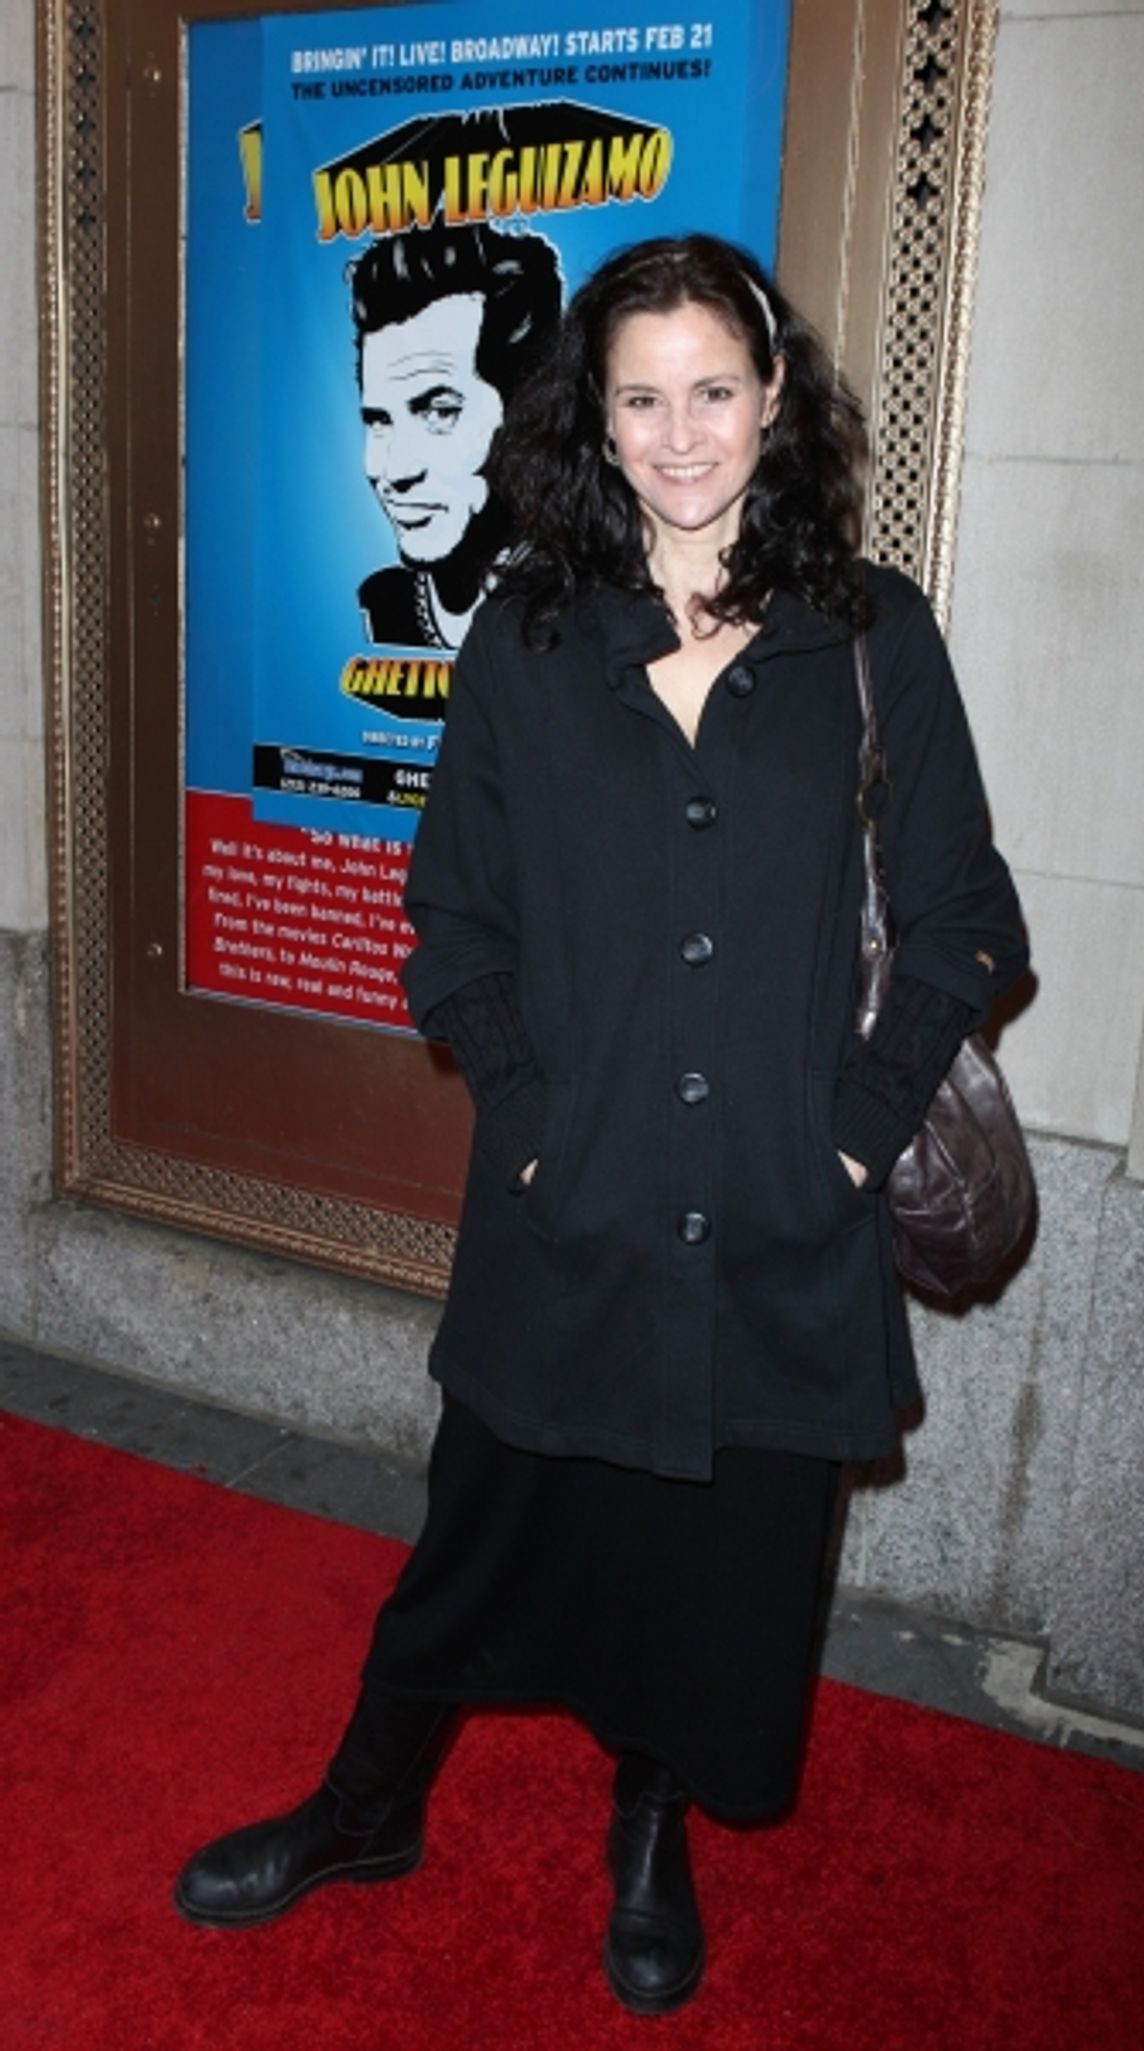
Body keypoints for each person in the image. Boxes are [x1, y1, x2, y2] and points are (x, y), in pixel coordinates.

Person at [176, 233, 1028, 2014]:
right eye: (640, 397)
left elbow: (962, 923)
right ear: (594, 418)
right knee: (477, 1534)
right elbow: (455, 926)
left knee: (714, 1565)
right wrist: (538, 1123)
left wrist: (858, 1136)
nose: (681, 432)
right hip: (570, 1209)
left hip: (786, 1223)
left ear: (776, 397)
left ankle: (650, 1832)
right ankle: (368, 1803)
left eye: (713, 388)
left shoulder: (874, 636)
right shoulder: (532, 640)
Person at [352, 219, 562, 652]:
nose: (394, 469)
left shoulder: (575, 610)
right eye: (379, 420)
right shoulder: (380, 606)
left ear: (524, 416)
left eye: (439, 412)